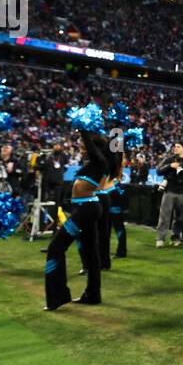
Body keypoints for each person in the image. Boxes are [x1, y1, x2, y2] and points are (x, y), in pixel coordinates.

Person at [45, 129, 108, 310]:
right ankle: (93, 294)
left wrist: (84, 130)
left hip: (87, 209)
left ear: (92, 148)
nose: (80, 148)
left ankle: (57, 297)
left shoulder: (100, 161)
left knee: (55, 247)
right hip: (84, 208)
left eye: (83, 146)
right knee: (91, 254)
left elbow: (91, 145)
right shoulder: (92, 163)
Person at [156, 143, 183, 247]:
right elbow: (158, 171)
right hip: (169, 191)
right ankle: (160, 239)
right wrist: (170, 166)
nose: (175, 148)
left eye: (178, 146)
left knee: (179, 217)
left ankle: (175, 237)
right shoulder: (169, 160)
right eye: (175, 146)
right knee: (164, 216)